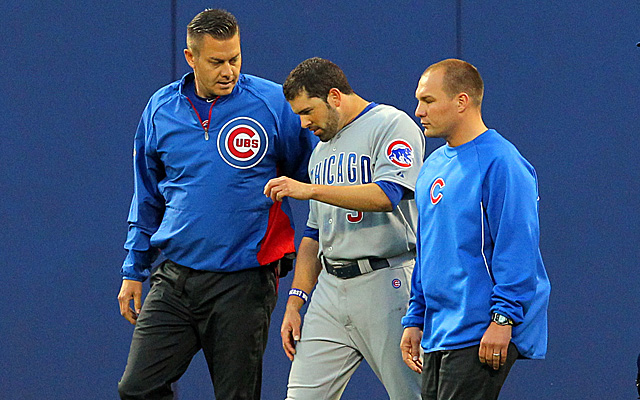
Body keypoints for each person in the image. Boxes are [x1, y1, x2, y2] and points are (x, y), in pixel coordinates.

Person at [116, 9, 316, 400]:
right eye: (216, 62)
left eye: (235, 59)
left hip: (244, 282)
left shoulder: (273, 104)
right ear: (191, 59)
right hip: (175, 279)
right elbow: (147, 196)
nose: (229, 71)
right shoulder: (160, 109)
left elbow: (315, 176)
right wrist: (133, 269)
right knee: (137, 389)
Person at [264, 57, 424, 400]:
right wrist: (295, 301)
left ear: (334, 96)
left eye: (308, 111)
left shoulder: (391, 124)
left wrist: (309, 189)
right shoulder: (319, 153)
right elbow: (313, 234)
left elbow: (387, 194)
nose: (304, 123)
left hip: (386, 279)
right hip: (330, 290)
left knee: (413, 395)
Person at [400, 59, 551, 400]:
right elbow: (427, 250)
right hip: (439, 330)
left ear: (461, 102)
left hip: (481, 329)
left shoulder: (503, 162)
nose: (418, 111)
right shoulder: (432, 166)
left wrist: (503, 319)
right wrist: (415, 318)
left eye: (428, 100)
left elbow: (518, 247)